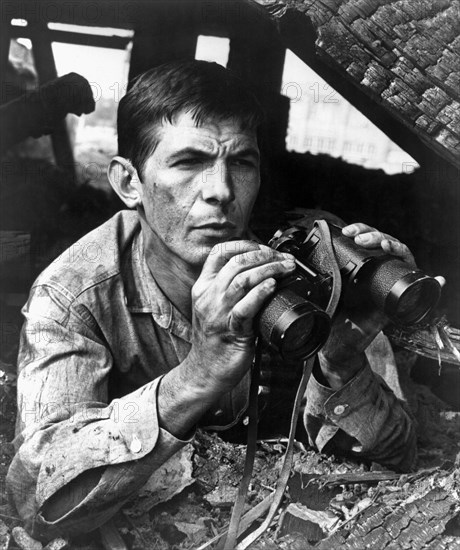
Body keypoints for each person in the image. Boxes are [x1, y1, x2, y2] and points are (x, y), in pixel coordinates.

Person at [7, 60, 417, 542]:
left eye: (240, 163)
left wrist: (343, 362)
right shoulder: (75, 294)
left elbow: (401, 461)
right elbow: (33, 499)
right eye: (188, 163)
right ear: (128, 182)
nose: (221, 192)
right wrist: (195, 378)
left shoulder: (302, 265)